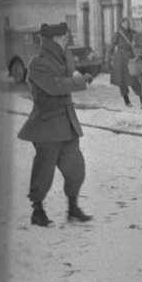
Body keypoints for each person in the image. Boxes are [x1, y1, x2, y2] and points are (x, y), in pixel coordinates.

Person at [17, 22, 93, 226]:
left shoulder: (63, 56)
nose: (67, 39)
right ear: (54, 39)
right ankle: (37, 210)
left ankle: (73, 208)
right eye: (64, 37)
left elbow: (69, 77)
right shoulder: (38, 62)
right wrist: (79, 81)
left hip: (67, 123)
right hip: (47, 125)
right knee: (44, 171)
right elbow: (55, 86)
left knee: (75, 169)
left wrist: (79, 75)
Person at [108, 16, 140, 106]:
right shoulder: (117, 34)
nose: (127, 24)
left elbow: (139, 39)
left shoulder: (133, 33)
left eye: (128, 23)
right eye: (125, 23)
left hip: (130, 57)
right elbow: (111, 47)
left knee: (134, 79)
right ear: (121, 24)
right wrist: (109, 58)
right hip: (120, 59)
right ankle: (127, 101)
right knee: (122, 81)